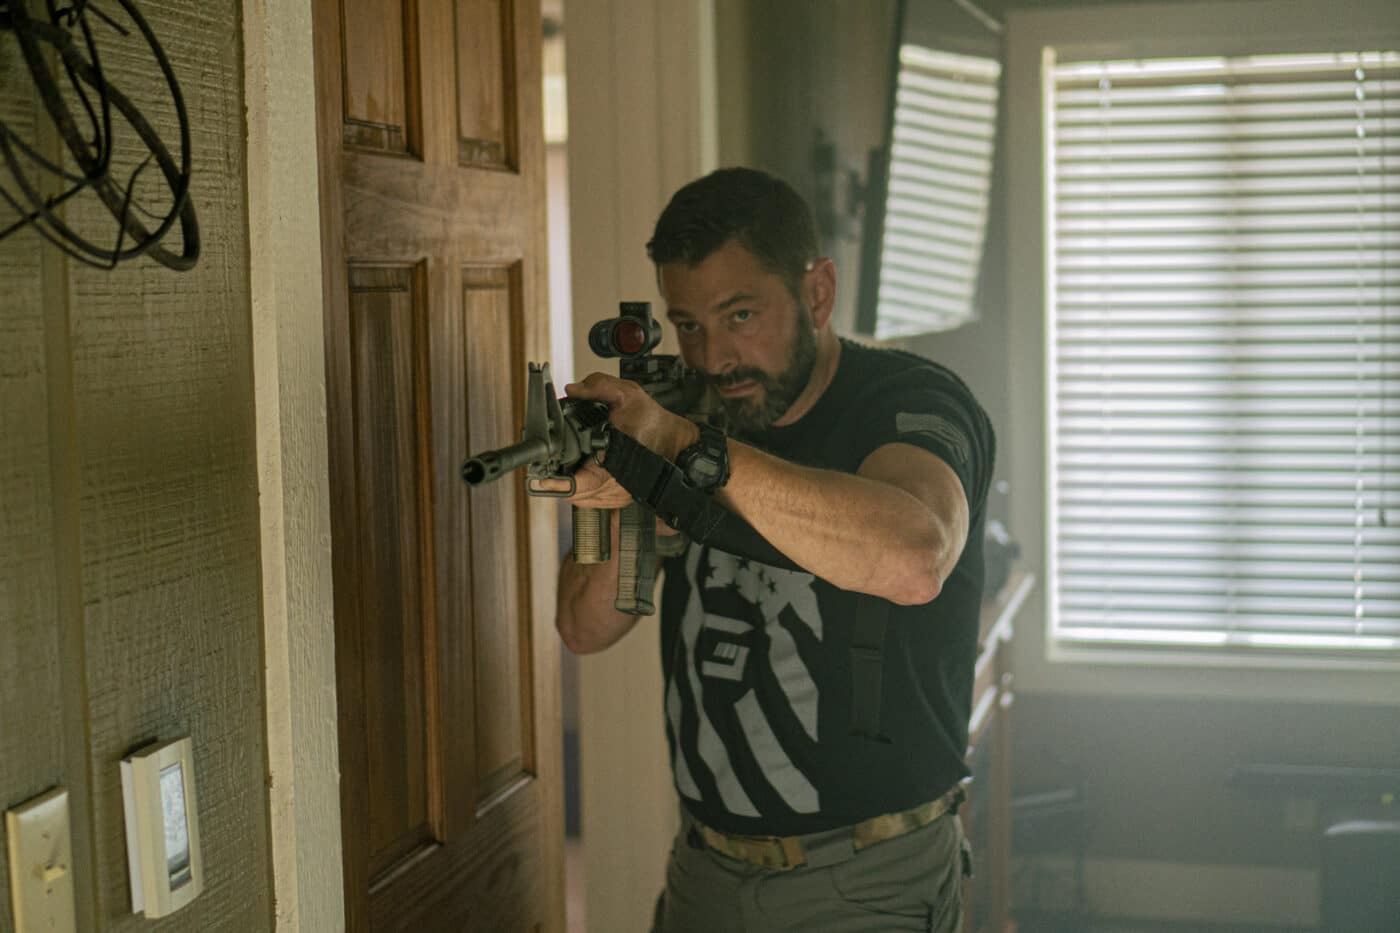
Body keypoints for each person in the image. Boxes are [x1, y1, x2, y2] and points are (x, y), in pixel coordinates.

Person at [554, 167, 995, 932]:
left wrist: (690, 452)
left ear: (817, 294)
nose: (714, 357)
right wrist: (633, 496)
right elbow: (585, 626)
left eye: (740, 315)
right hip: (705, 870)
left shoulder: (907, 401)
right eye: (687, 324)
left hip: (869, 880)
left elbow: (914, 558)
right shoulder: (687, 407)